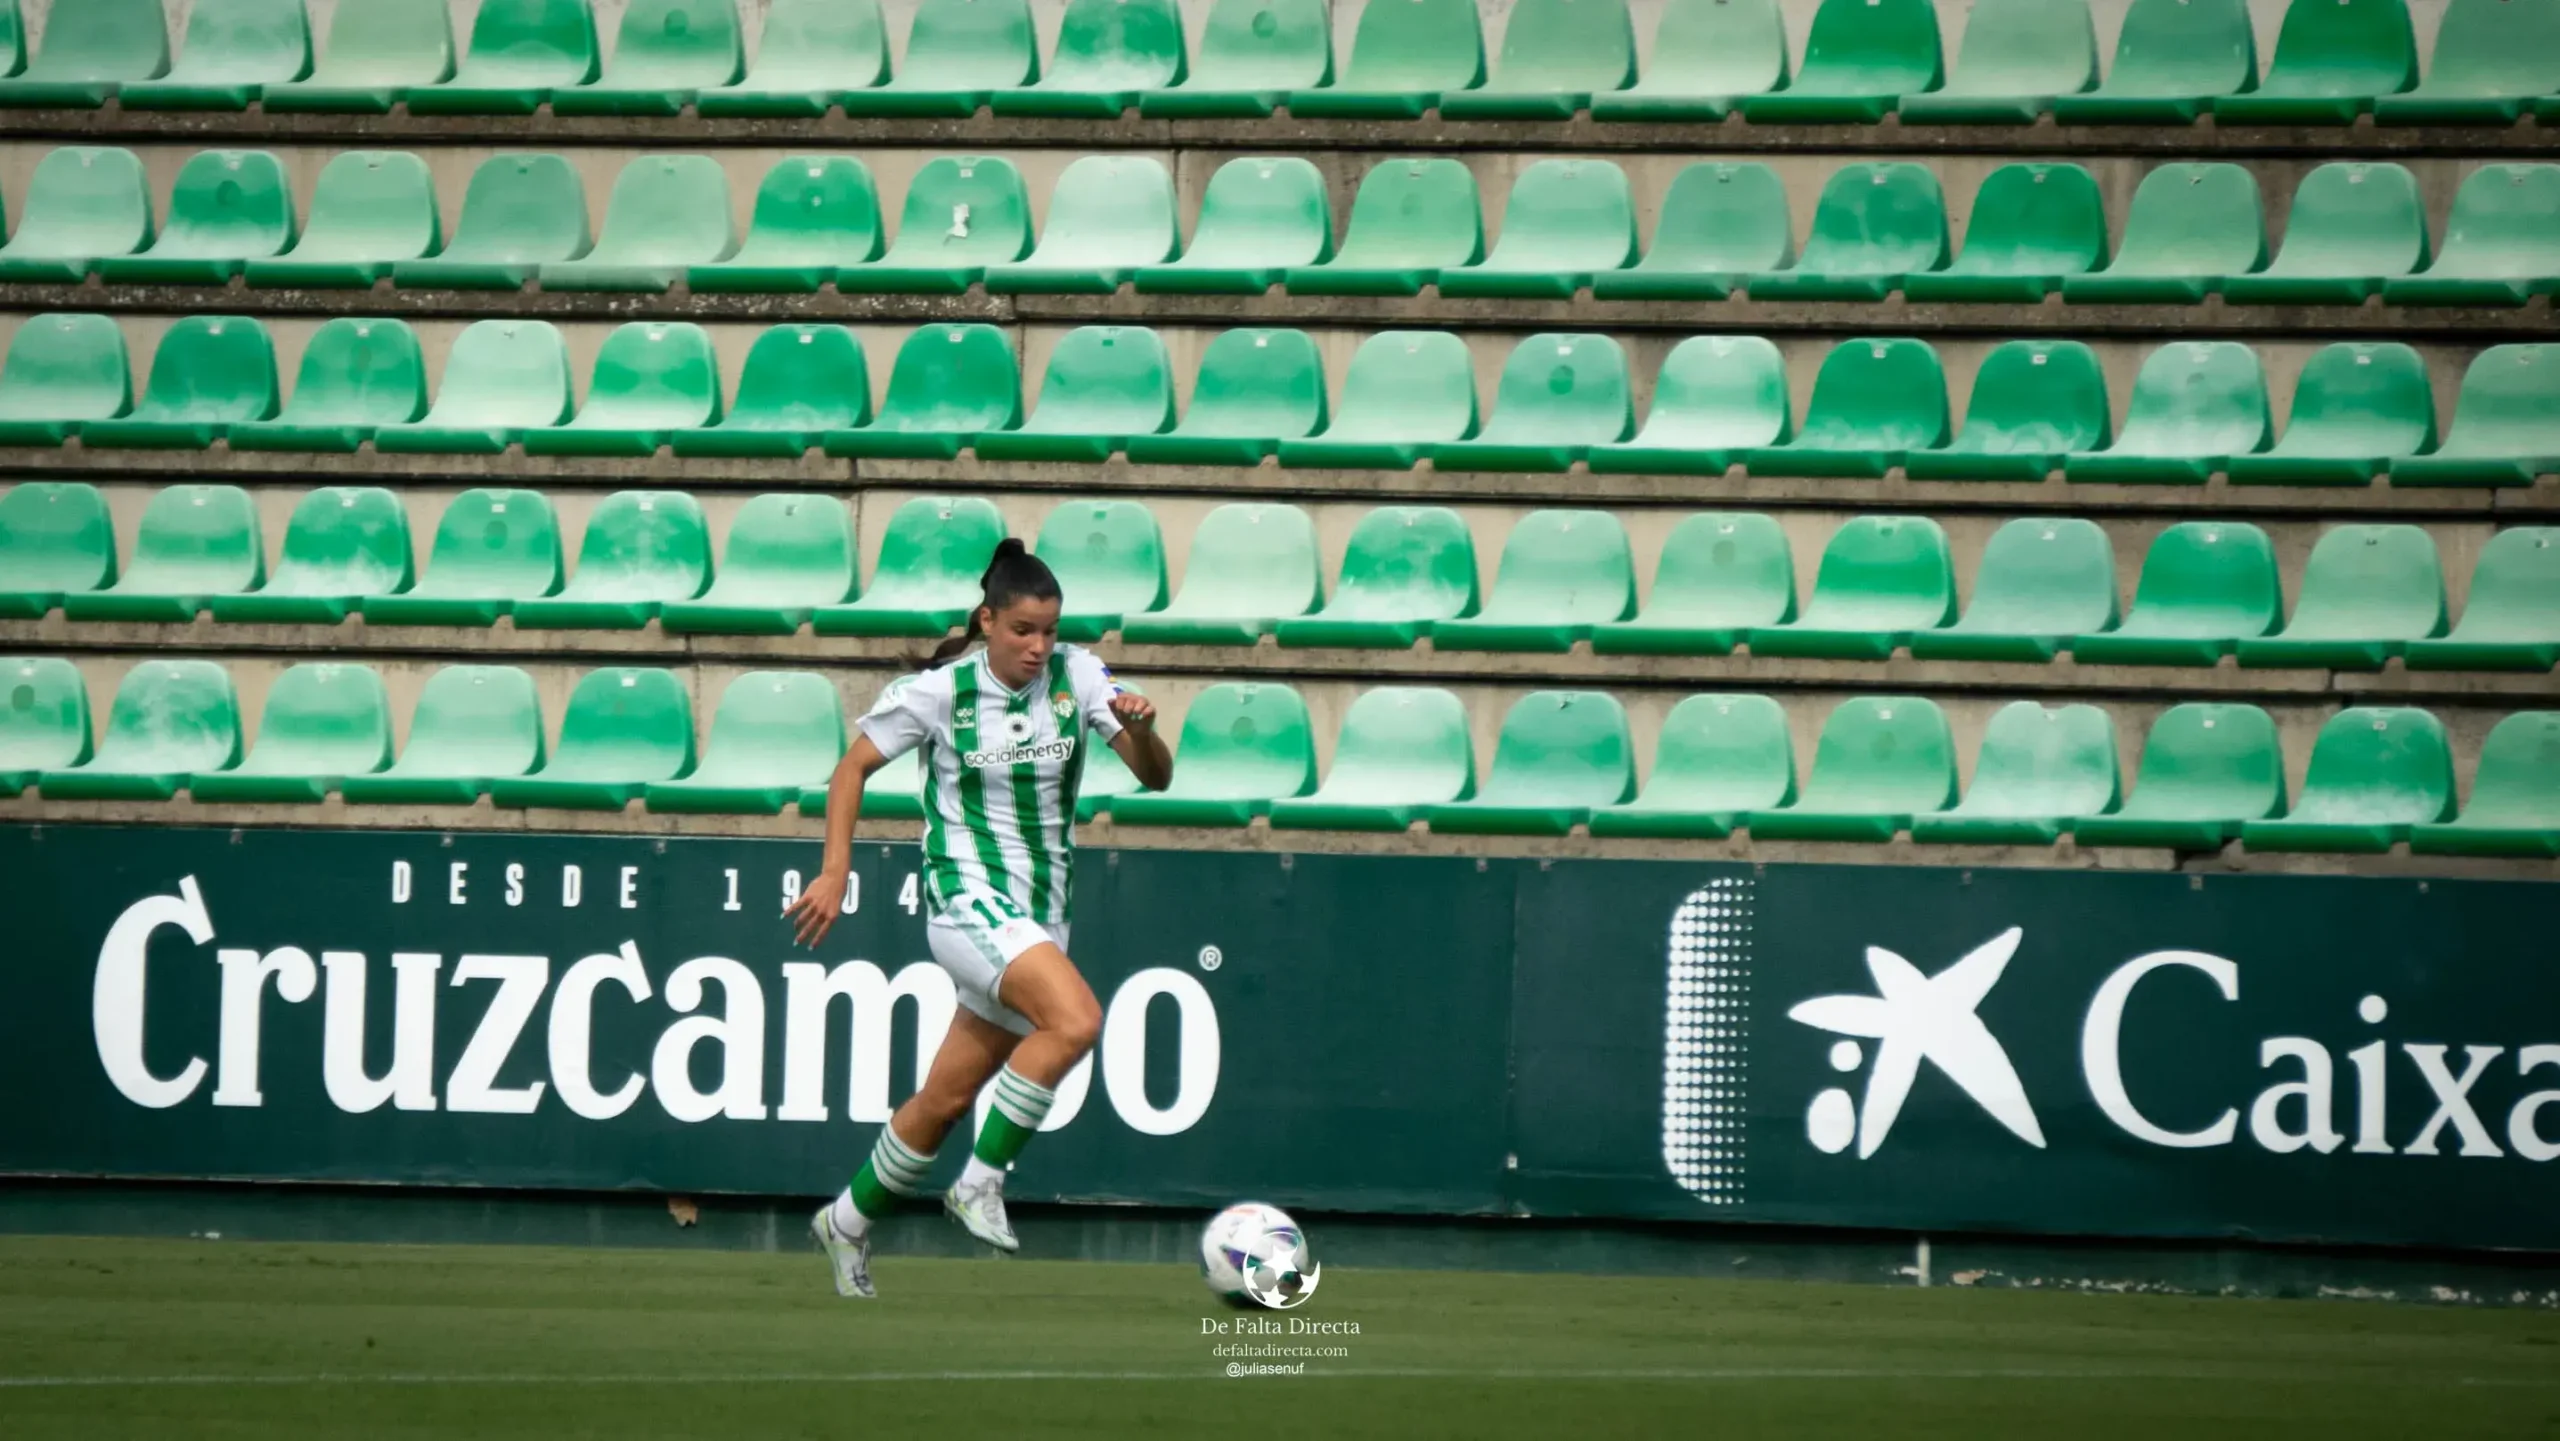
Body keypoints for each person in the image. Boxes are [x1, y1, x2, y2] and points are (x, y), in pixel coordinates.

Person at [784, 539, 1173, 1300]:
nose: (1039, 646)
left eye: (1050, 630)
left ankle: (847, 1220)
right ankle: (980, 1182)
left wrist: (1144, 725)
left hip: (1041, 911)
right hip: (966, 896)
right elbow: (851, 767)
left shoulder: (1082, 677)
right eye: (1024, 629)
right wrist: (836, 868)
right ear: (989, 620)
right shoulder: (941, 691)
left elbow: (1154, 775)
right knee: (1077, 1020)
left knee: (946, 1099)